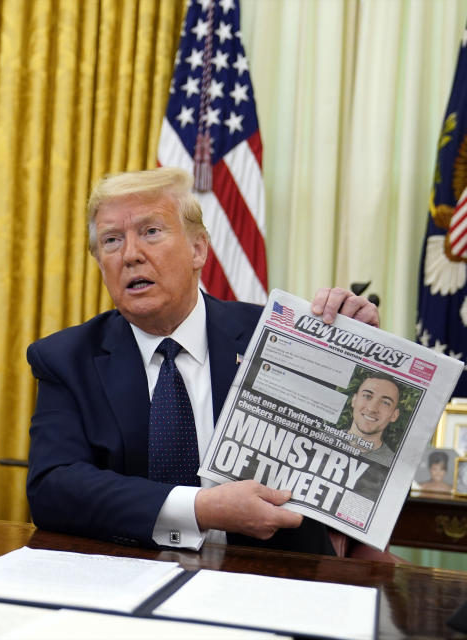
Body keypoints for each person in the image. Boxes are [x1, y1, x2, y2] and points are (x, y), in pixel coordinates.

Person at [26, 167, 379, 555]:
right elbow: (52, 488)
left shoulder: (276, 336)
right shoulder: (66, 357)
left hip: (277, 573)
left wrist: (360, 353)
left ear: (198, 250)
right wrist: (200, 509)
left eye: (151, 232)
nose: (130, 255)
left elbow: (356, 458)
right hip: (132, 574)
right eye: (111, 241)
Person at [346, 374, 400, 465]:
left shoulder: (392, 464)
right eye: (367, 396)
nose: (372, 408)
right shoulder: (323, 436)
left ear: (394, 415)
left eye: (385, 403)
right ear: (354, 400)